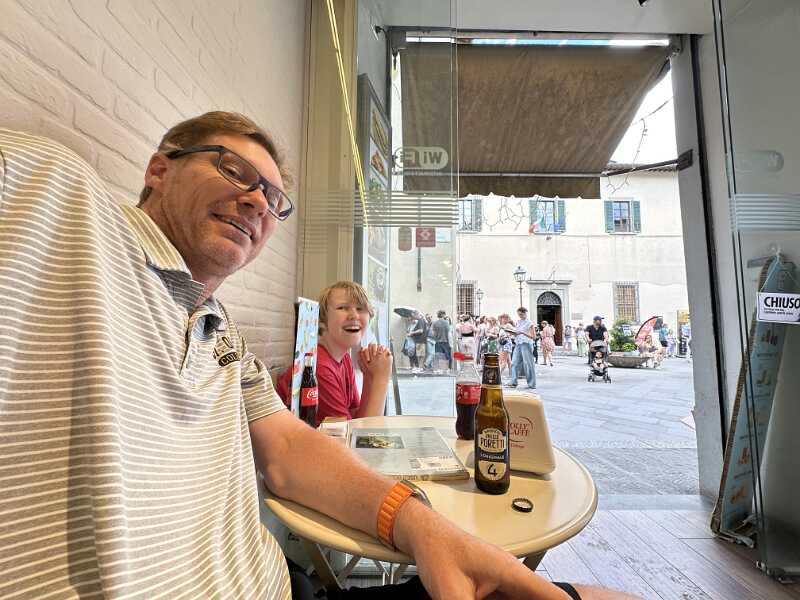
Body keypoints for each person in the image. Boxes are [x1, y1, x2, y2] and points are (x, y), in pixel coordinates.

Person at [0, 117, 636, 600]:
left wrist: (421, 526)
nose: (258, 202)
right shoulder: (59, 199)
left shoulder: (223, 335)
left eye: (273, 199)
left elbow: (287, 448)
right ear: (159, 169)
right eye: (232, 170)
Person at [276, 281, 392, 424]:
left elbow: (357, 419)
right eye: (342, 308)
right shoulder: (320, 369)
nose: (354, 315)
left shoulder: (345, 359)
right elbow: (361, 433)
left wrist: (370, 375)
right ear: (322, 320)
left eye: (360, 308)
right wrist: (382, 377)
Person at [507, 307, 537, 389]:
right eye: (518, 314)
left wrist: (523, 332)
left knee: (528, 364)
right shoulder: (518, 322)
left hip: (526, 344)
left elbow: (534, 337)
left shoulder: (529, 323)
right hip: (518, 343)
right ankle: (513, 382)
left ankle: (532, 383)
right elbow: (517, 332)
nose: (520, 316)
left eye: (521, 314)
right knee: (514, 363)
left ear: (525, 313)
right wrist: (511, 333)